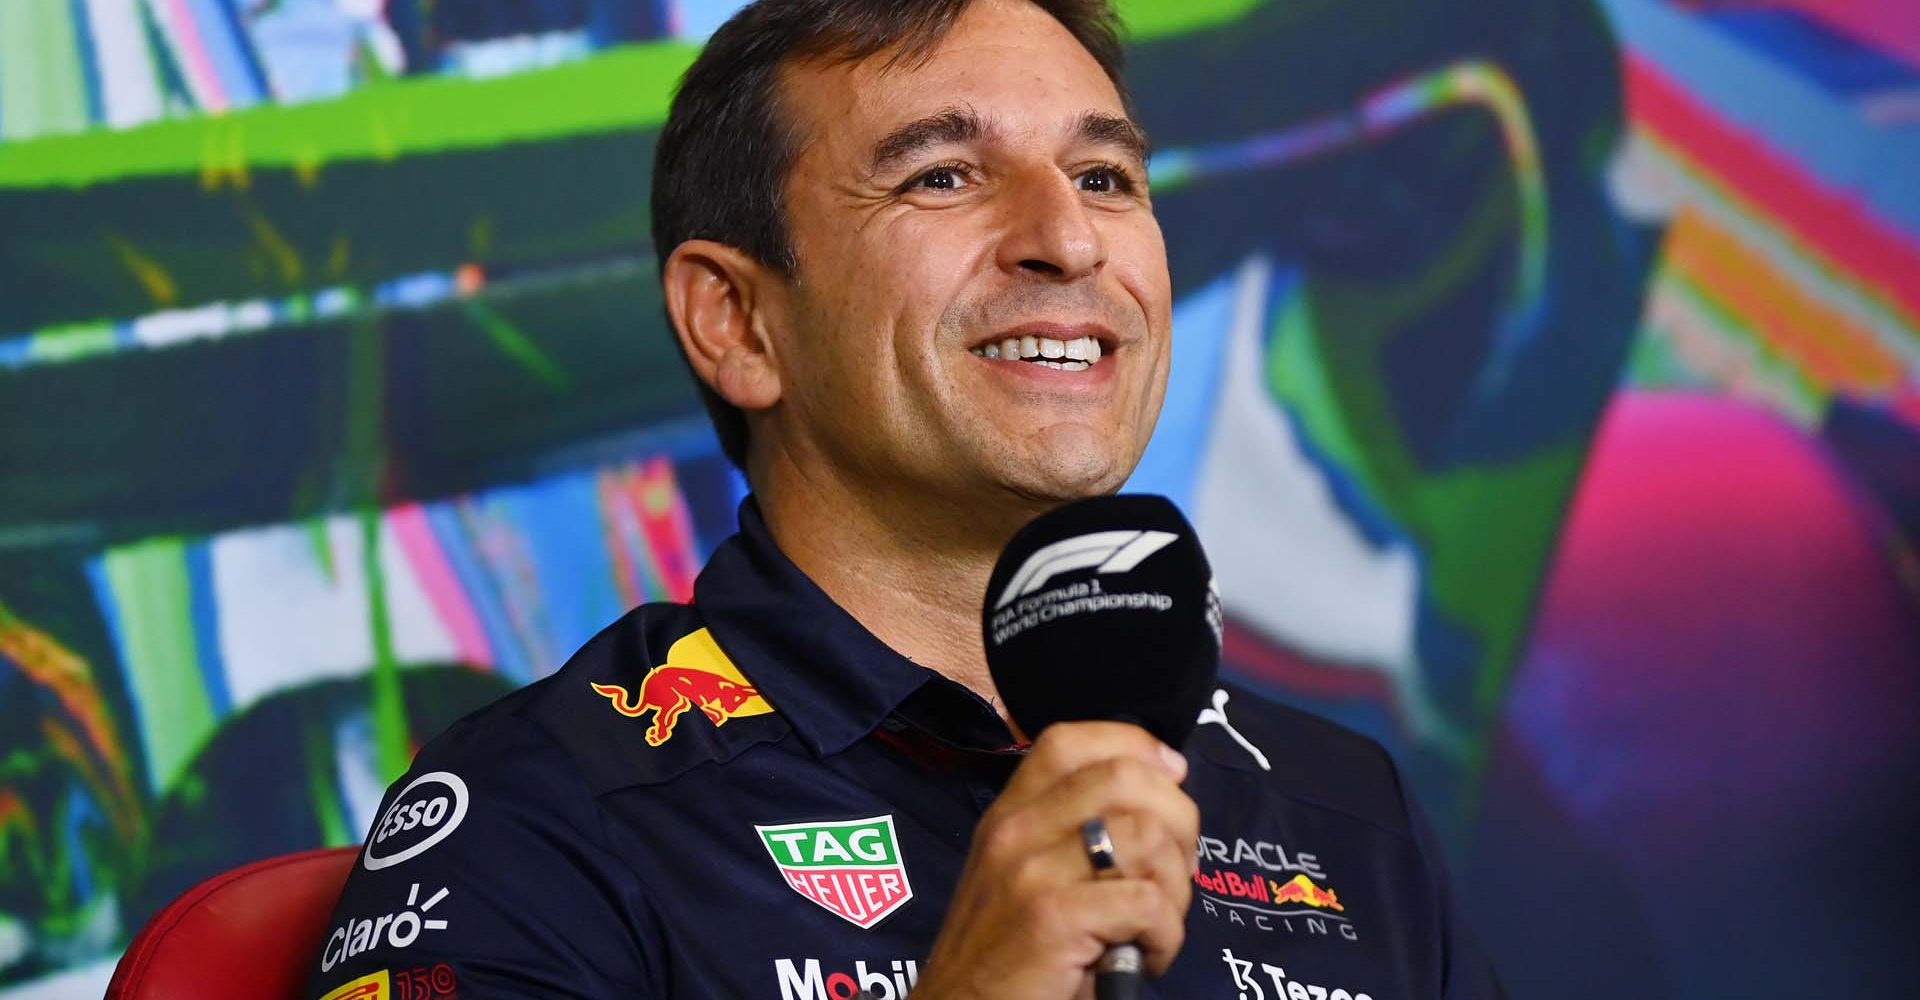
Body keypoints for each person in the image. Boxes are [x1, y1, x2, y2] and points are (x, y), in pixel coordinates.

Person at [305, 0, 1503, 997]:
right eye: (942, 177)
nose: (1066, 239)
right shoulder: (549, 812)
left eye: (1103, 174)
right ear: (737, 322)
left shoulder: (1343, 811)